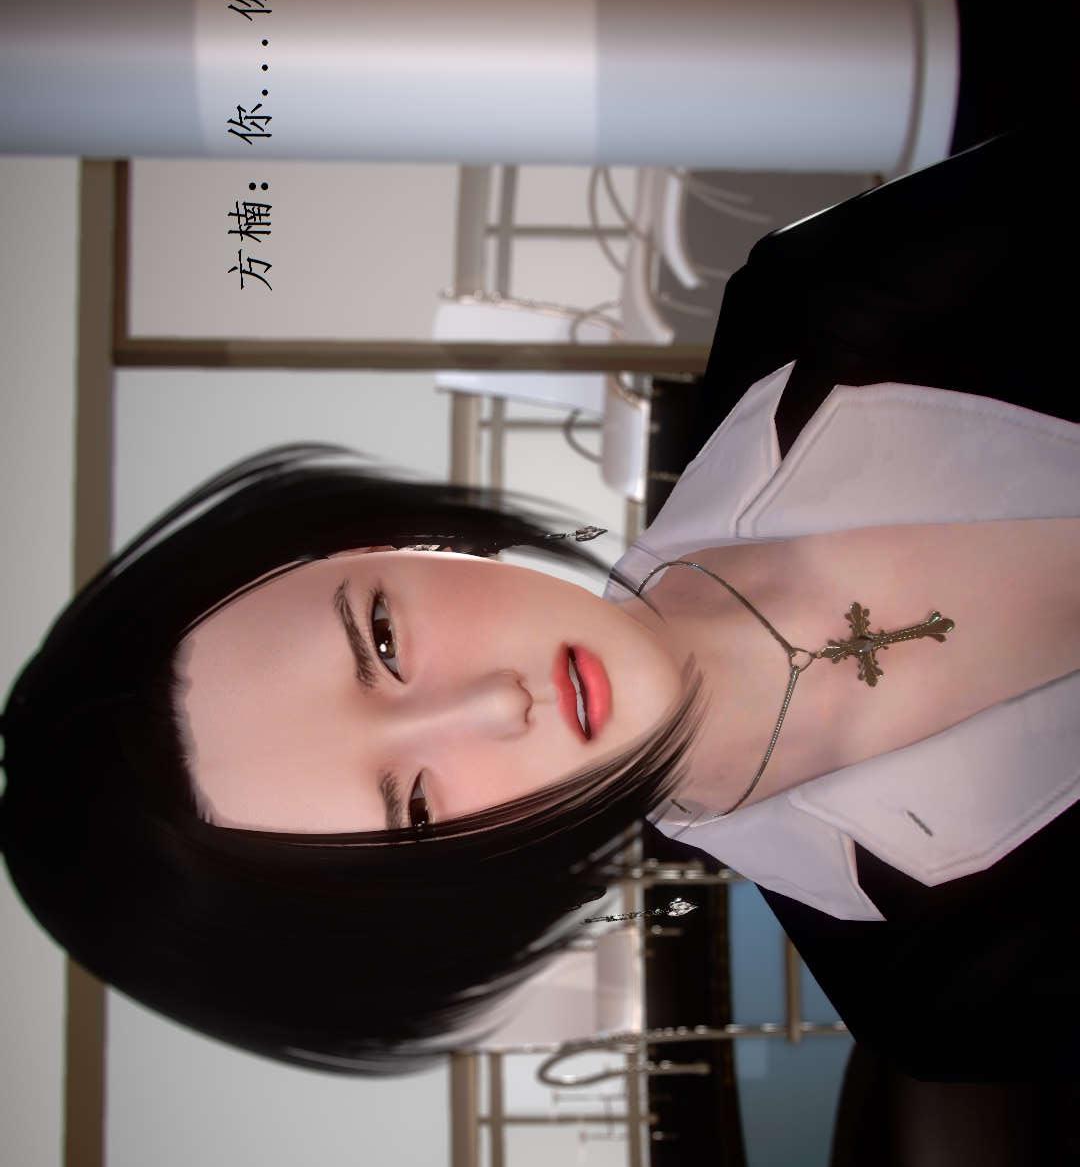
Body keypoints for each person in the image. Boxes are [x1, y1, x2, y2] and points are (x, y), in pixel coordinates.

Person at [2, 127, 1076, 1078]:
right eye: (418, 812)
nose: (493, 705)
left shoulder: (820, 296)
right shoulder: (943, 992)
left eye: (383, 637)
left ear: (387, 541)